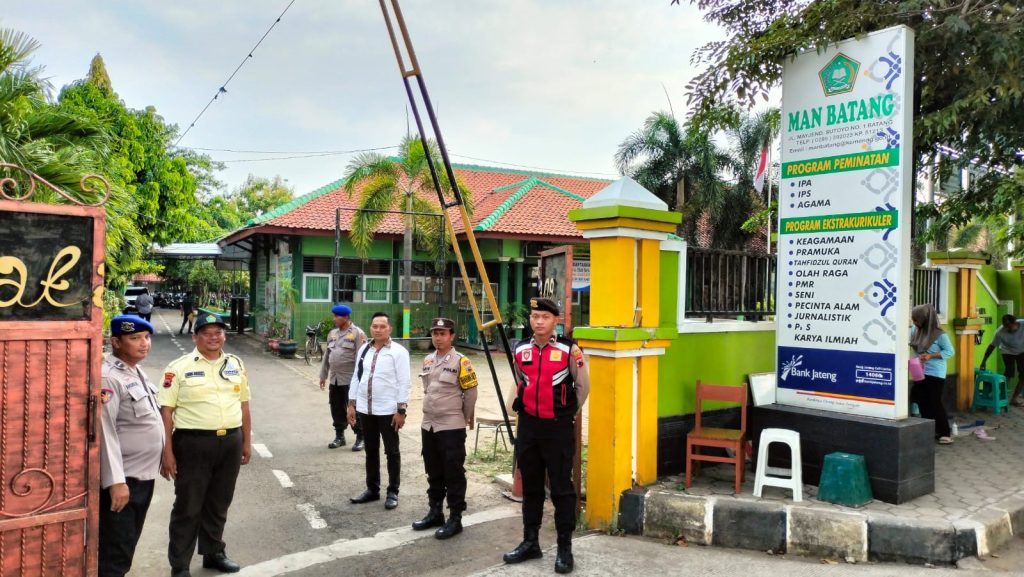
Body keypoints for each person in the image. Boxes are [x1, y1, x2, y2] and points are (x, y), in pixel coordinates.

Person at [160, 313, 252, 577]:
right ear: (195, 337)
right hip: (193, 443)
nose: (214, 338)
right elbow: (166, 412)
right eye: (207, 333)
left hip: (230, 441)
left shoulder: (235, 364)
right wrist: (167, 453)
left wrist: (246, 441)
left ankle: (213, 552)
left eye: (218, 332)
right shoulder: (178, 367)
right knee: (188, 505)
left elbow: (244, 405)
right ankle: (180, 565)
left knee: (219, 501)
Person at [503, 298, 590, 574]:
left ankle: (565, 548)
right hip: (529, 427)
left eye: (544, 317)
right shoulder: (521, 349)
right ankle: (531, 542)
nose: (538, 321)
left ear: (556, 320)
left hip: (557, 428)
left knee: (562, 489)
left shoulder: (569, 350)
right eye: (534, 316)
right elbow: (520, 381)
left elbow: (583, 387)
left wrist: (566, 414)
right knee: (531, 486)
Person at [99, 315, 164, 577]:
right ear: (116, 341)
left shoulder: (134, 370)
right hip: (124, 480)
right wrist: (115, 482)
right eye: (135, 338)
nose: (144, 343)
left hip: (141, 478)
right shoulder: (109, 377)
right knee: (115, 553)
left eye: (146, 338)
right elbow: (105, 431)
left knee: (126, 546)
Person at [412, 317, 478, 539]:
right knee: (433, 471)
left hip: (451, 425)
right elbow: (427, 389)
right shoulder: (428, 360)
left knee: (454, 473)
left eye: (443, 333)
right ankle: (435, 512)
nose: (438, 337)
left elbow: (470, 394)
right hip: (429, 424)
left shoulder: (462, 361)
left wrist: (464, 418)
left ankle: (455, 518)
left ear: (452, 336)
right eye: (435, 333)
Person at [347, 311, 410, 510]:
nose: (378, 330)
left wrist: (401, 410)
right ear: (371, 327)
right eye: (375, 326)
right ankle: (372, 489)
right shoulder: (364, 349)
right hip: (366, 409)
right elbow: (357, 377)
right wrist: (351, 404)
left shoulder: (399, 352)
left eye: (383, 326)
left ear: (389, 328)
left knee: (392, 451)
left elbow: (404, 382)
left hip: (388, 411)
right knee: (371, 450)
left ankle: (393, 492)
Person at [319, 304, 367, 450]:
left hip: (351, 379)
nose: (334, 319)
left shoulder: (357, 333)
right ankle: (340, 436)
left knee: (354, 408)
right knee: (336, 408)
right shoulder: (332, 333)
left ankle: (361, 437)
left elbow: (362, 357)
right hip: (335, 378)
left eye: (337, 316)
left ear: (345, 317)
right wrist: (323, 375)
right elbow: (327, 355)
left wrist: (361, 380)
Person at [910, 304, 955, 445]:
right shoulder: (914, 331)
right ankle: (929, 429)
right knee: (921, 401)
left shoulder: (940, 335)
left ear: (925, 318)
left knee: (934, 402)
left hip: (935, 372)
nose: (914, 323)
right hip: (919, 371)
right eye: (913, 319)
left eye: (916, 319)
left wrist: (931, 356)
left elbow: (950, 352)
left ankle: (945, 433)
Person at [980, 314, 1024, 406]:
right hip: (1007, 351)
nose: (1008, 328)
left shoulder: (1022, 324)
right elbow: (991, 346)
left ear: (1015, 322)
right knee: (1009, 372)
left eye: (1009, 326)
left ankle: (1014, 399)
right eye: (1005, 326)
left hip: (1022, 351)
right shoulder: (1000, 332)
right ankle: (1001, 395)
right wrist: (984, 361)